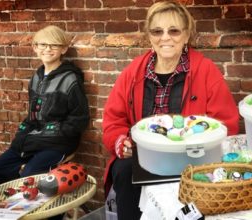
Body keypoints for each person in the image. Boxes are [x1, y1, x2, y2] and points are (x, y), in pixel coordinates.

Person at [102, 1, 239, 219]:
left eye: (173, 30)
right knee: (123, 169)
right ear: (149, 36)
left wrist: (198, 146)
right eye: (157, 31)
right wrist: (120, 141)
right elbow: (113, 120)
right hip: (143, 158)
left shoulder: (206, 71)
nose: (165, 37)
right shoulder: (133, 72)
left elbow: (226, 124)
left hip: (192, 159)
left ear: (186, 35)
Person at [0, 25, 90, 186]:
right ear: (35, 47)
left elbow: (80, 119)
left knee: (30, 175)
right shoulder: (36, 77)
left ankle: (50, 211)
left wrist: (56, 133)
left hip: (58, 143)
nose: (47, 49)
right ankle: (15, 204)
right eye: (43, 44)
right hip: (34, 139)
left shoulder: (70, 79)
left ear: (63, 49)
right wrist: (22, 136)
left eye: (54, 45)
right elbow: (32, 115)